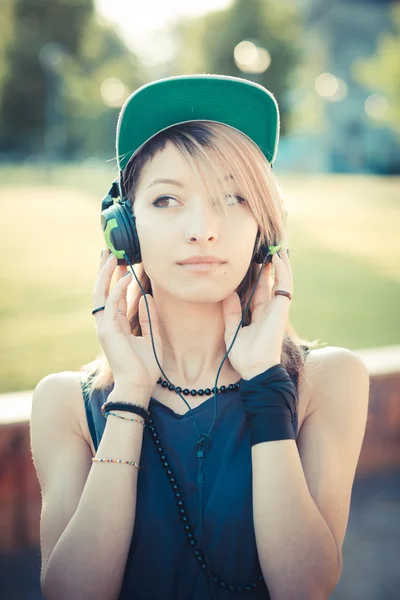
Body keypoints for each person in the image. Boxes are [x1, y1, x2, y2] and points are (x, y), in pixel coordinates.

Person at [30, 74, 370, 600]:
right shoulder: (66, 403)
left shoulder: (328, 380)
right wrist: (130, 396)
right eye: (167, 200)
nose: (203, 229)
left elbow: (304, 588)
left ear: (268, 229)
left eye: (233, 197)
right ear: (123, 229)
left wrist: (264, 386)